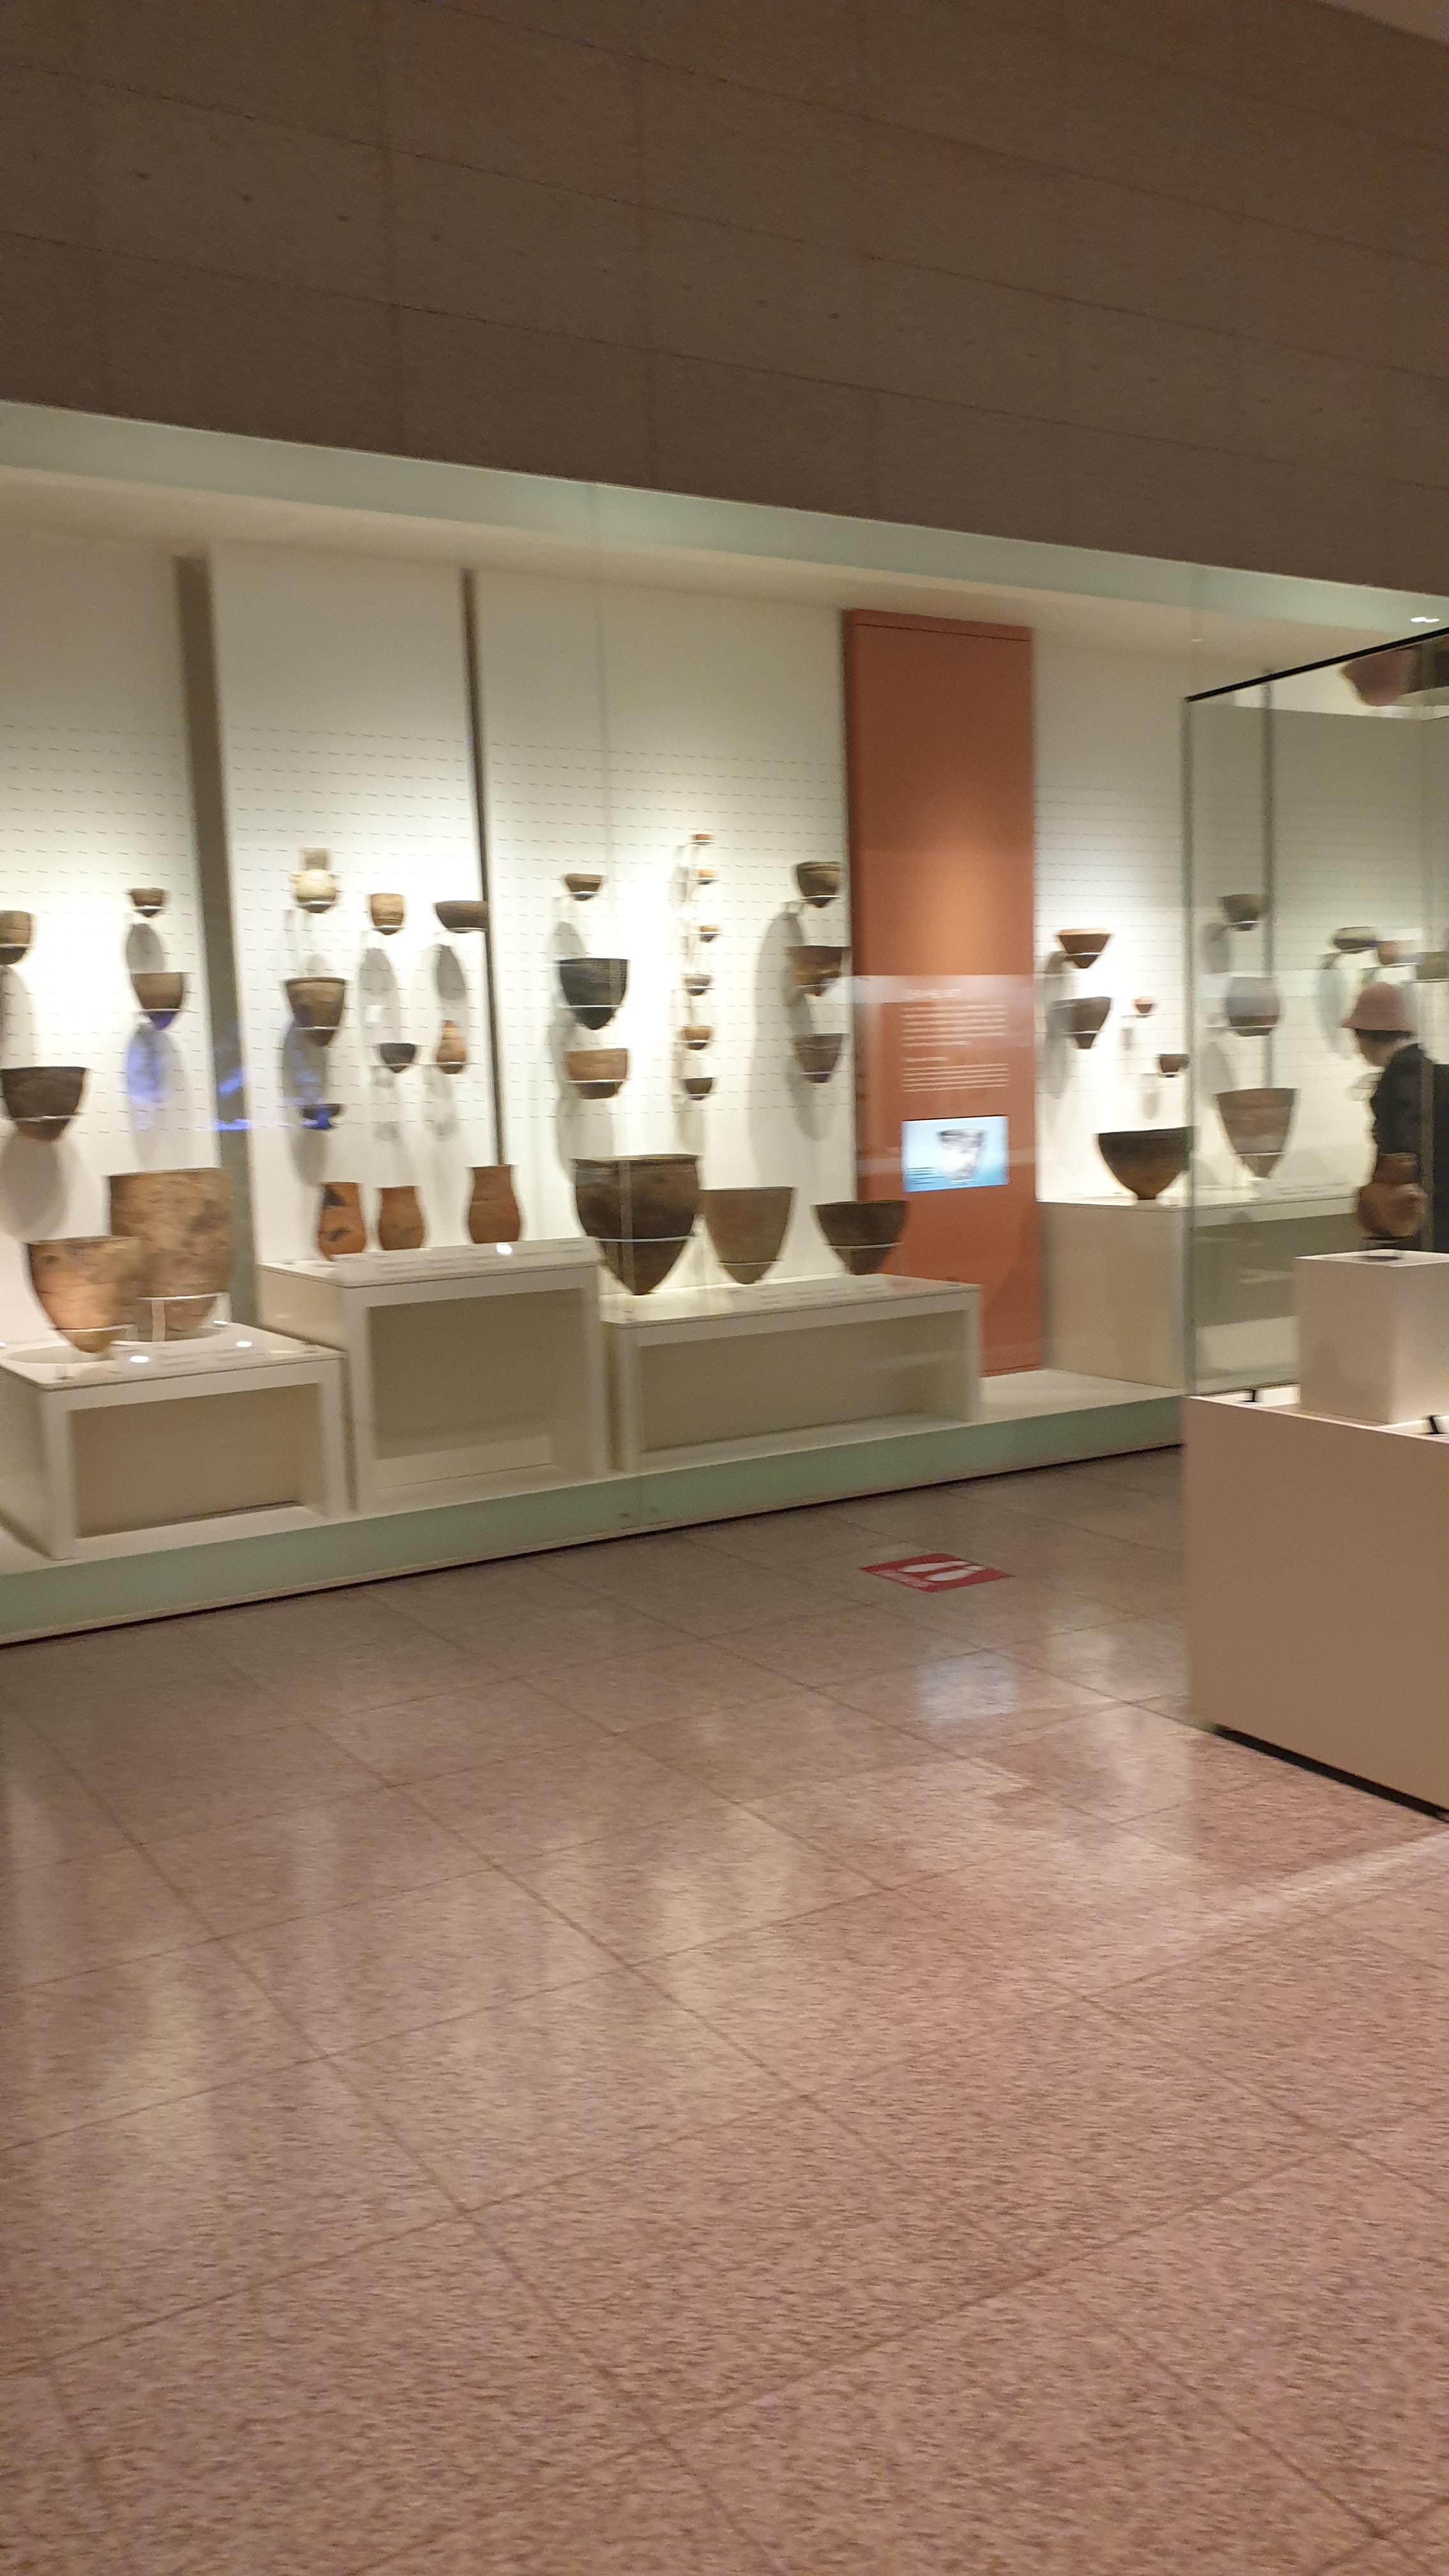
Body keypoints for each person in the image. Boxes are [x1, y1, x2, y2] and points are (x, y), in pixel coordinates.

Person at [1343, 981, 1449, 1252]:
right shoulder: (1434, 1074)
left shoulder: (1397, 1080)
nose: (1358, 1050)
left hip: (1419, 1217)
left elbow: (1400, 1153)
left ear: (1365, 1036)